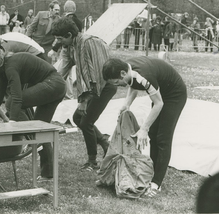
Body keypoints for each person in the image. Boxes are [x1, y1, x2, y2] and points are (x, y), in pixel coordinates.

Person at [0, 43, 66, 181]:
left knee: (11, 102)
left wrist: (13, 123)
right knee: (40, 130)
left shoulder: (11, 66)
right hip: (56, 87)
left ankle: (27, 133)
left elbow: (17, 97)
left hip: (53, 84)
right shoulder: (4, 68)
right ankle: (48, 174)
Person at [102, 57, 187, 197]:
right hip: (161, 93)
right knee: (154, 136)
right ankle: (152, 173)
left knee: (163, 138)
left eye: (117, 82)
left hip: (174, 95)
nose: (118, 86)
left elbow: (159, 104)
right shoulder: (128, 69)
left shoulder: (143, 76)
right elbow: (133, 84)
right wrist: (126, 104)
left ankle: (156, 184)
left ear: (123, 73)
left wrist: (144, 128)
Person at [51, 17, 117, 171]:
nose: (59, 42)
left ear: (69, 34)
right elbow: (61, 69)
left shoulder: (88, 43)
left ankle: (92, 161)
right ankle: (105, 144)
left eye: (60, 39)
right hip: (91, 88)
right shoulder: (70, 46)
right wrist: (48, 82)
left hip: (104, 86)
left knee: (86, 122)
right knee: (77, 118)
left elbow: (97, 73)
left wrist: (84, 100)